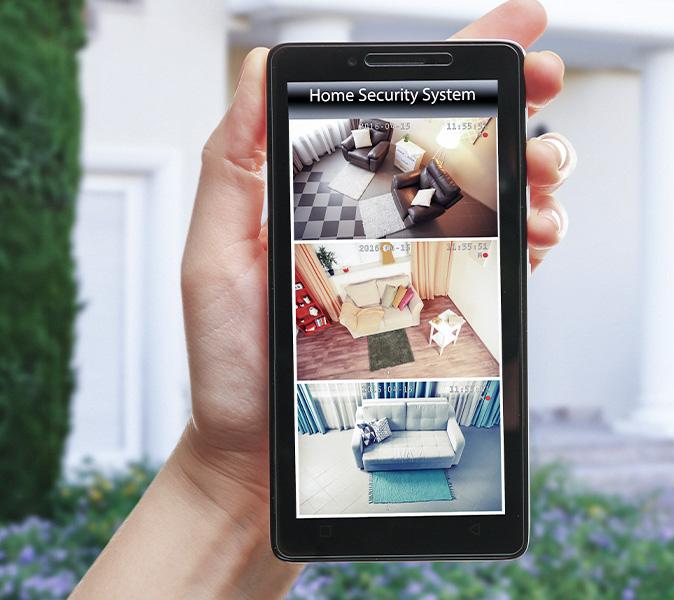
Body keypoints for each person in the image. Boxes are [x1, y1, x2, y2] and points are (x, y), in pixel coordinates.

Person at [70, 1, 575, 597]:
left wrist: (228, 478)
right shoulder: (348, 208)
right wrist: (230, 470)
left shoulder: (413, 221)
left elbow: (409, 281)